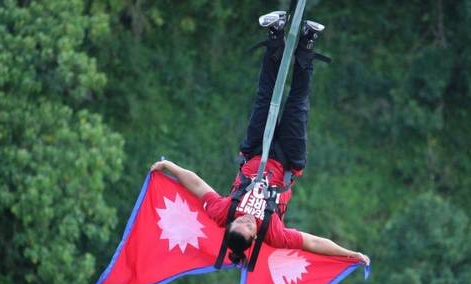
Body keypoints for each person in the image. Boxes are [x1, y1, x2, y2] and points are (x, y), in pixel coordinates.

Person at [151, 11, 369, 267]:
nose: (246, 220)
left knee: (265, 97)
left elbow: (197, 185)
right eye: (247, 226)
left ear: (231, 223)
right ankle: (308, 42)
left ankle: (275, 34)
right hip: (288, 161)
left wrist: (169, 166)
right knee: (297, 104)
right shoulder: (273, 233)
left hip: (254, 151)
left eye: (239, 222)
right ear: (253, 236)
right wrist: (349, 253)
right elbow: (313, 242)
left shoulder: (223, 213)